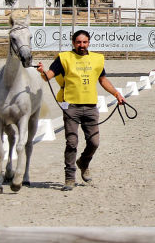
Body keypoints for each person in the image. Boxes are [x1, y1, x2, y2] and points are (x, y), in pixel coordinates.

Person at [36, 30, 125, 191]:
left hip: (91, 107)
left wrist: (117, 94)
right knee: (71, 142)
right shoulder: (63, 58)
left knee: (94, 143)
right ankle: (70, 177)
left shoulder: (97, 59)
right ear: (73, 43)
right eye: (78, 42)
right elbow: (48, 76)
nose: (81, 45)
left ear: (89, 43)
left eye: (84, 42)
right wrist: (42, 71)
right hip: (71, 107)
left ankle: (83, 162)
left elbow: (103, 80)